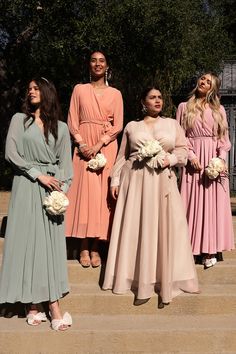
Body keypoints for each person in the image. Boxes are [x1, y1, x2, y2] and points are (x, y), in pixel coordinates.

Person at [102, 87, 199, 306]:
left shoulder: (172, 124)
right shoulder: (132, 126)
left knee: (165, 228)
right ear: (143, 102)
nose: (158, 101)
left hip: (162, 181)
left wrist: (171, 161)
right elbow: (121, 156)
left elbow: (183, 151)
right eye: (152, 97)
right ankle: (138, 279)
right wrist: (115, 180)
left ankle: (163, 279)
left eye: (160, 97)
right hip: (136, 182)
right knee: (138, 228)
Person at [0, 77, 73, 330]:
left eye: (35, 88)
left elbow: (66, 164)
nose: (31, 92)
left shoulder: (62, 128)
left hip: (51, 190)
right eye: (28, 89)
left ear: (47, 92)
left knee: (50, 248)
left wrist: (61, 191)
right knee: (27, 243)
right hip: (26, 185)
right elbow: (11, 153)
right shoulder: (20, 120)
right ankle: (32, 304)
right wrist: (37, 174)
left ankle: (52, 305)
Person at [65, 50, 123, 268]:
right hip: (83, 147)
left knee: (100, 198)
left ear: (107, 66)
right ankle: (82, 246)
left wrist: (99, 145)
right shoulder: (79, 89)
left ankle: (96, 246)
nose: (97, 64)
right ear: (88, 65)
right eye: (93, 60)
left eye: (102, 61)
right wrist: (82, 144)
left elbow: (118, 125)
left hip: (105, 146)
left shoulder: (115, 94)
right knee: (84, 195)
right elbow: (72, 120)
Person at [176, 73, 234, 268]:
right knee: (191, 204)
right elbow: (180, 137)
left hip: (213, 163)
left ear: (213, 88)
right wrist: (191, 157)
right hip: (193, 164)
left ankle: (210, 250)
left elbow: (224, 140)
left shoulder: (219, 110)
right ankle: (190, 249)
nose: (203, 82)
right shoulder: (184, 107)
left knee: (212, 206)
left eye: (209, 81)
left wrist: (219, 161)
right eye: (202, 79)